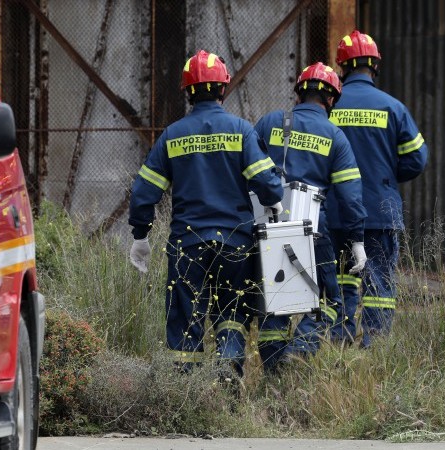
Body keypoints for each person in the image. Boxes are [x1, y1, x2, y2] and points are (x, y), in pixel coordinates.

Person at [127, 50, 283, 378]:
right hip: (235, 243)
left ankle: (188, 391)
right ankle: (228, 365)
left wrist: (141, 235)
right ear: (223, 88)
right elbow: (269, 184)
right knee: (232, 311)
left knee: (186, 317)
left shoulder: (172, 135)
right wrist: (274, 201)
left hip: (188, 243)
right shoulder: (241, 130)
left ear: (187, 92)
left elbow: (143, 192)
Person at [253, 62, 367, 370]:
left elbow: (247, 169)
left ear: (300, 92)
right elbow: (349, 194)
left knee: (275, 303)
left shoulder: (269, 123)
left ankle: (275, 373)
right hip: (314, 229)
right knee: (331, 299)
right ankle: (301, 349)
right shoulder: (335, 136)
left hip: (269, 228)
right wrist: (357, 239)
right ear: (332, 99)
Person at [327, 30, 429, 348]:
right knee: (379, 280)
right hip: (378, 210)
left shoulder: (329, 108)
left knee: (339, 278)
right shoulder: (392, 108)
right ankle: (375, 347)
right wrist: (385, 174)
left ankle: (337, 342)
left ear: (342, 67)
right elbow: (417, 159)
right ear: (374, 66)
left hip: (334, 210)